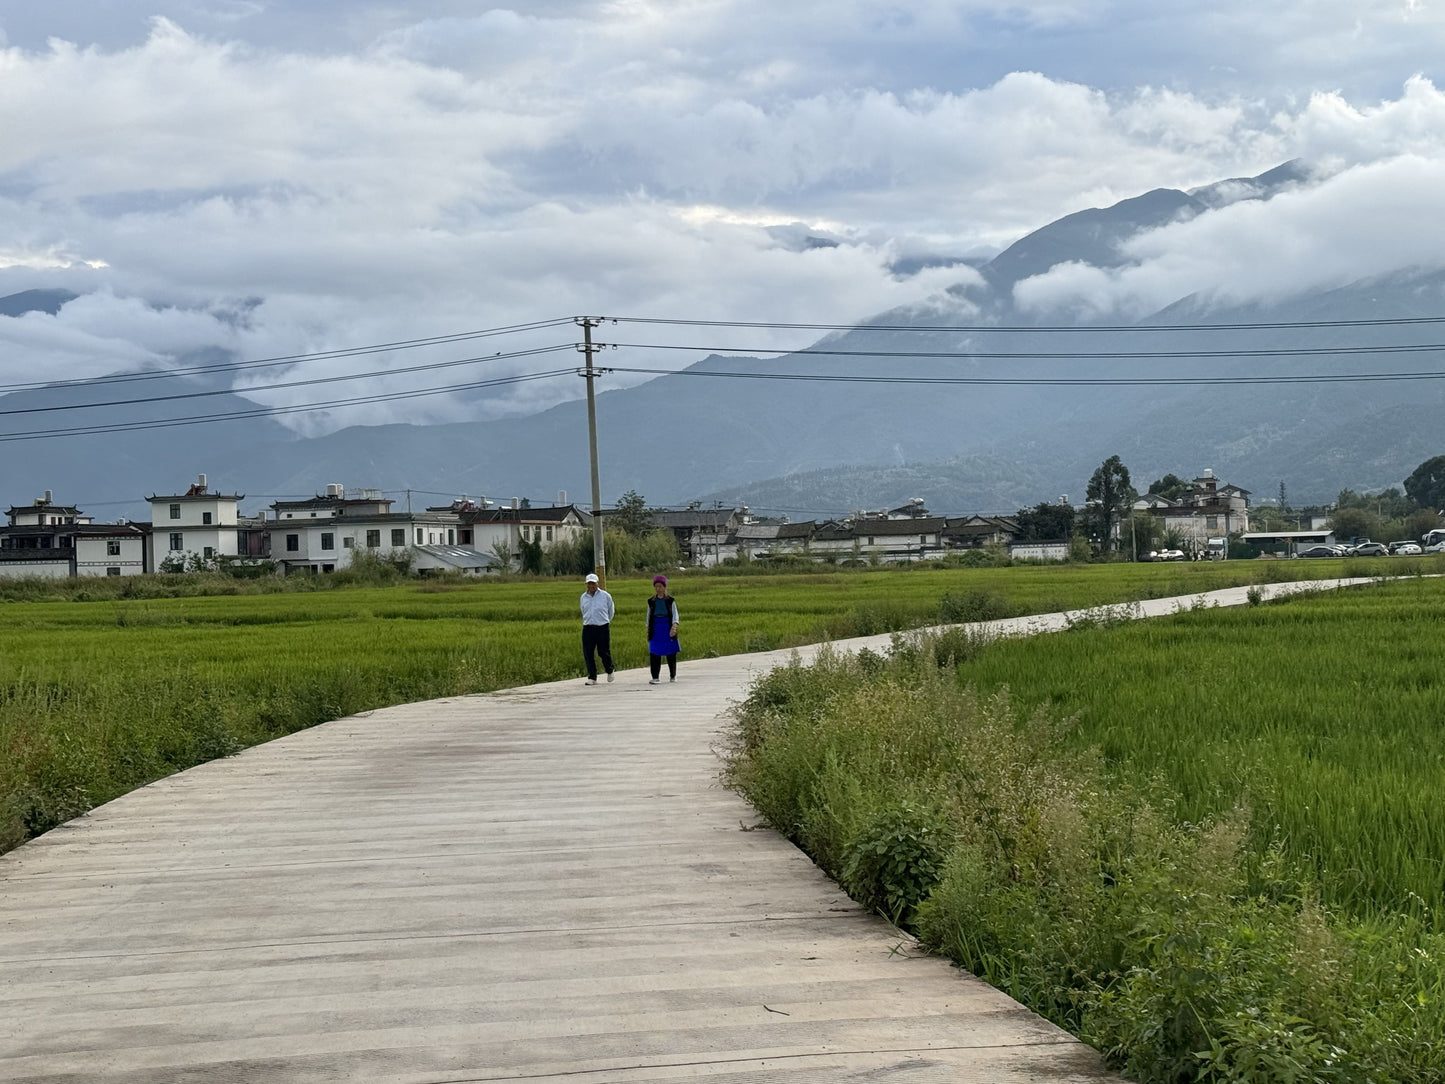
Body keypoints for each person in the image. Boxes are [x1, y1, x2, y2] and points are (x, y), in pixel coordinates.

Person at [579, 573, 615, 686]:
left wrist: (605, 621)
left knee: (603, 652)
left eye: (593, 583)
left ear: (597, 583)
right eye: (589, 583)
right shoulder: (583, 597)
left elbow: (611, 611)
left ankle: (609, 670)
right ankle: (592, 676)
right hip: (588, 627)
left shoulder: (605, 596)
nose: (591, 586)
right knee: (588, 653)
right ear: (586, 584)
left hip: (602, 627)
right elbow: (583, 610)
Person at [645, 574, 680, 684]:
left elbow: (675, 614)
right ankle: (655, 677)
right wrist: (648, 629)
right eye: (656, 586)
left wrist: (674, 627)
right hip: (656, 628)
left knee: (671, 652)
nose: (658, 589)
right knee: (654, 652)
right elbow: (648, 615)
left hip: (667, 627)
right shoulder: (651, 601)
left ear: (664, 587)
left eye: (660, 586)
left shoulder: (670, 601)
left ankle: (672, 675)